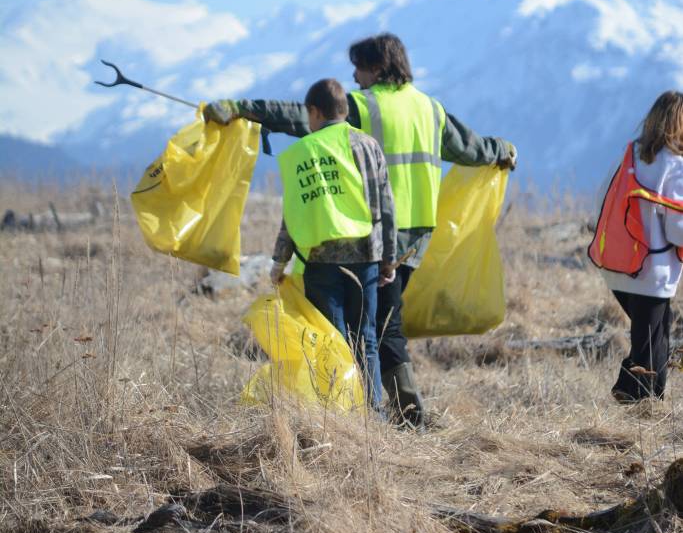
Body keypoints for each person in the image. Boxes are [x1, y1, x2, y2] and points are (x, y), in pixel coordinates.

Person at [204, 33, 516, 426]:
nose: (353, 75)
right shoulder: (429, 108)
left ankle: (388, 412)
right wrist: (501, 150)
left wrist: (240, 109)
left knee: (375, 327)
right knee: (383, 321)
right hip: (414, 234)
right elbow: (470, 149)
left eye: (360, 66)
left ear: (379, 66)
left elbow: (297, 115)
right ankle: (387, 410)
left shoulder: (361, 106)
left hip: (371, 234)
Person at [268, 77, 396, 411]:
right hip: (367, 255)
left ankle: (340, 416)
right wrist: (390, 258)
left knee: (330, 339)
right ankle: (373, 414)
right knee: (366, 337)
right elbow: (386, 205)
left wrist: (279, 262)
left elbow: (292, 215)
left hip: (321, 261)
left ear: (314, 111)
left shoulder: (304, 151)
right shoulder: (368, 145)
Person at [589, 91, 683, 402]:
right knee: (649, 343)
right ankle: (636, 401)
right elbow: (676, 228)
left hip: (617, 266)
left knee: (655, 335)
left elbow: (603, 197)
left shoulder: (631, 154)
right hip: (651, 273)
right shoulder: (675, 166)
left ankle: (646, 399)